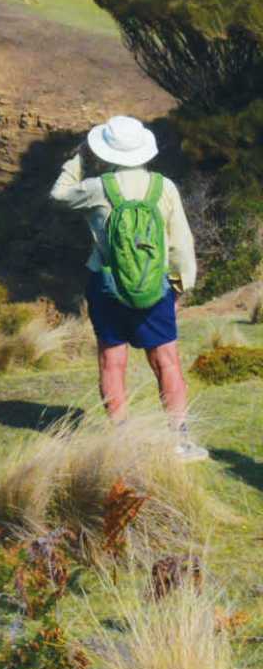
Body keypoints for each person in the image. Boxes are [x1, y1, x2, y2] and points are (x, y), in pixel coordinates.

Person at [51, 113, 205, 459]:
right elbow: (181, 243)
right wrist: (179, 286)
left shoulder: (97, 188)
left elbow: (58, 195)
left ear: (106, 151)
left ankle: (122, 441)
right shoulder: (164, 187)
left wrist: (78, 160)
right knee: (167, 361)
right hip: (156, 286)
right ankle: (180, 440)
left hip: (107, 286)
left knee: (112, 362)